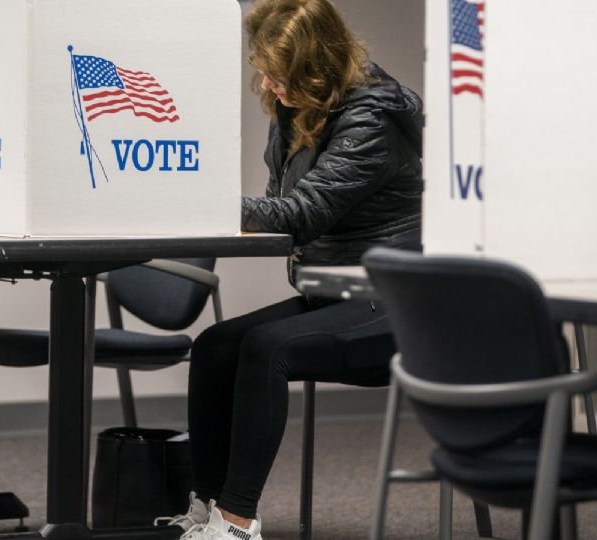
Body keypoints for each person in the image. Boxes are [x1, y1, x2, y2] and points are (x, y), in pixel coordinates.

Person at [155, 1, 424, 539]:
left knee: (266, 348)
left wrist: (198, 198)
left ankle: (237, 523)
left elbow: (299, 215)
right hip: (333, 292)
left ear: (317, 66)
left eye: (282, 74)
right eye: (266, 72)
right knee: (213, 346)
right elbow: (281, 209)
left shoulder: (369, 119)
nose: (270, 84)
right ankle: (206, 511)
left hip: (393, 303)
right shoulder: (298, 111)